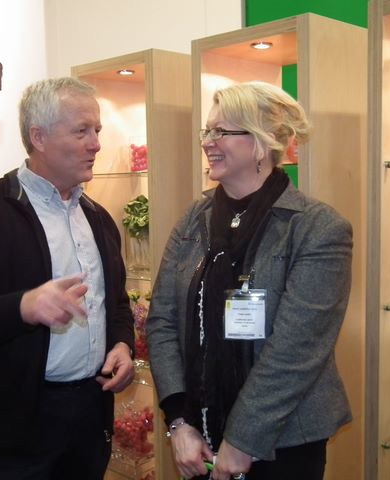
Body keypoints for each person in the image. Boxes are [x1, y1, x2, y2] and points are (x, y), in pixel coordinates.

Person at [0, 77, 135, 480]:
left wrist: (122, 344)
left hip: (88, 419)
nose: (96, 144)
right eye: (82, 131)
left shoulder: (97, 218)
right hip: (11, 433)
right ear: (38, 137)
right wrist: (23, 307)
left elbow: (116, 303)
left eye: (97, 130)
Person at [146, 81, 353, 480]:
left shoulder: (317, 228)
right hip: (197, 435)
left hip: (285, 442)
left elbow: (297, 351)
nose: (207, 141)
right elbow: (162, 320)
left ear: (262, 142)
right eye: (207, 130)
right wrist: (178, 421)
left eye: (221, 131)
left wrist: (242, 439)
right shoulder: (194, 219)